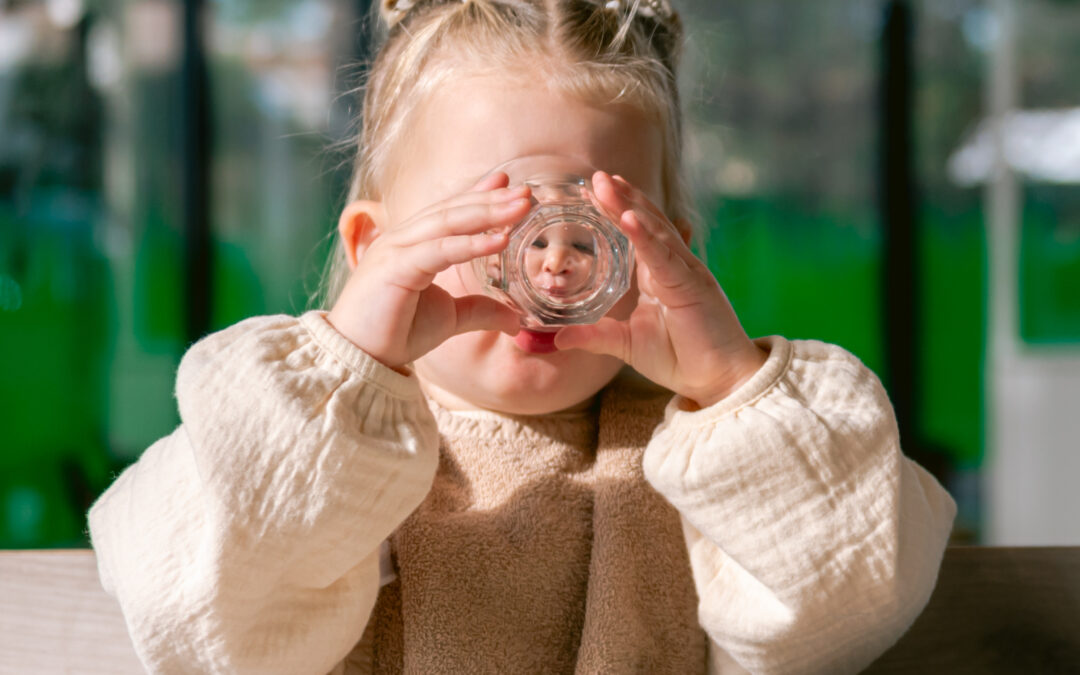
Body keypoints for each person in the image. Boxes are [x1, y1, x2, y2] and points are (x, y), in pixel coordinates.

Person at [87, 0, 957, 673]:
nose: (546, 267)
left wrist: (731, 384)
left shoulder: (712, 466)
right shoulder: (332, 450)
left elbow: (850, 597)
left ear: (670, 255)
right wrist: (347, 368)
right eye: (484, 223)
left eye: (591, 229)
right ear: (372, 250)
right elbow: (194, 608)